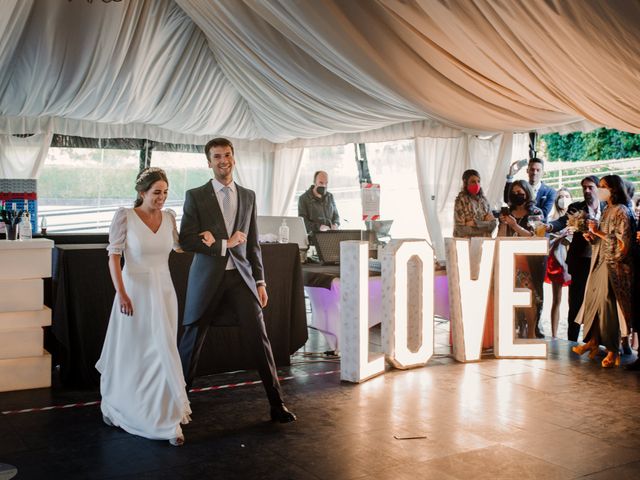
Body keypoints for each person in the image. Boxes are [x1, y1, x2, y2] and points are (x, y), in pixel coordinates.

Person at [178, 137, 296, 423]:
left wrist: (261, 282)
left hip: (241, 279)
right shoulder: (195, 195)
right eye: (217, 156)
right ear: (209, 162)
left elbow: (253, 242)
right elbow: (186, 239)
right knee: (191, 343)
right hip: (206, 279)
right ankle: (175, 405)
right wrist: (223, 244)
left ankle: (276, 404)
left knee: (260, 340)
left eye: (227, 155)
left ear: (233, 157)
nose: (223, 161)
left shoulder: (248, 195)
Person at [96, 167, 191, 447]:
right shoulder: (125, 217)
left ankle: (164, 416)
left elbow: (180, 247)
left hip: (163, 291)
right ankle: (124, 405)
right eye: (156, 192)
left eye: (164, 192)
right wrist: (122, 293)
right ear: (142, 193)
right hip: (134, 291)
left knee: (163, 350)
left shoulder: (170, 217)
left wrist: (209, 238)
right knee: (135, 351)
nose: (161, 197)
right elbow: (113, 257)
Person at [573, 175, 633, 368]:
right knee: (592, 300)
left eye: (603, 187)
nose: (599, 190)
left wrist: (599, 233)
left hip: (614, 264)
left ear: (614, 189)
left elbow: (623, 244)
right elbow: (604, 239)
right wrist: (593, 237)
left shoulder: (622, 211)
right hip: (600, 262)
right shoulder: (607, 210)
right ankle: (593, 340)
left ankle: (613, 348)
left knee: (607, 305)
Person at [547, 176, 603, 342]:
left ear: (598, 189)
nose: (586, 191)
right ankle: (572, 340)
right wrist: (550, 226)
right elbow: (562, 222)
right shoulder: (576, 207)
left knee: (597, 302)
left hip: (600, 261)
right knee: (576, 302)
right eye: (584, 187)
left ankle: (592, 340)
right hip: (580, 261)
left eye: (590, 187)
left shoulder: (607, 208)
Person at [498, 180, 545, 339]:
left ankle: (532, 331)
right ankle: (518, 330)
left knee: (530, 297)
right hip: (510, 260)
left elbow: (537, 236)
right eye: (514, 193)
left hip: (530, 261)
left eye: (521, 193)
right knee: (512, 297)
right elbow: (500, 238)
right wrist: (504, 224)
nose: (517, 195)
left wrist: (515, 226)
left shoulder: (535, 212)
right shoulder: (508, 212)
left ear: (527, 193)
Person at [544, 188, 573, 338]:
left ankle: (571, 334)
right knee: (557, 299)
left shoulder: (576, 217)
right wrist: (560, 237)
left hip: (572, 261)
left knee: (572, 300)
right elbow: (548, 244)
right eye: (561, 196)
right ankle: (554, 334)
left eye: (567, 196)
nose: (564, 199)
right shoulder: (552, 219)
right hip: (556, 260)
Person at [453, 169, 497, 238]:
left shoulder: (484, 201)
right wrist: (485, 224)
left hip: (484, 242)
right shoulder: (460, 201)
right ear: (465, 182)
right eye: (473, 181)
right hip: (466, 244)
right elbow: (460, 230)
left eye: (478, 181)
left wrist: (475, 224)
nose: (477, 184)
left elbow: (493, 225)